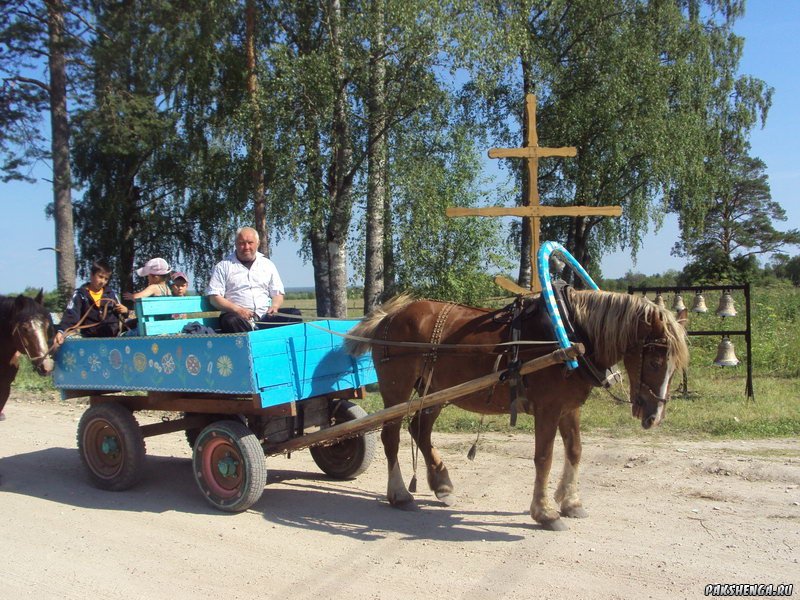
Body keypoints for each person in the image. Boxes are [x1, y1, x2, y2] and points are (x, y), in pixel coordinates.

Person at [207, 226, 287, 333]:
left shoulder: (267, 265)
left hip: (264, 317)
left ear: (257, 244)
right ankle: (254, 347)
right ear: (236, 244)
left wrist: (275, 306)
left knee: (294, 314)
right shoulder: (223, 266)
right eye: (242, 243)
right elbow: (214, 298)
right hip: (237, 317)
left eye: (250, 242)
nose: (246, 247)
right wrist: (238, 310)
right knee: (231, 320)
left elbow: (278, 293)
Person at [55, 260, 128, 344]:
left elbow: (122, 314)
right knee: (69, 339)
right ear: (92, 275)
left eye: (106, 279)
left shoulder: (111, 294)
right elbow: (71, 315)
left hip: (112, 339)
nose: (102, 281)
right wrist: (61, 331)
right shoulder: (80, 295)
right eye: (100, 277)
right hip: (89, 340)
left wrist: (125, 311)